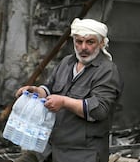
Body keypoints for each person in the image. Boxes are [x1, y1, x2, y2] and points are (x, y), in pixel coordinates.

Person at [15, 18, 124, 162]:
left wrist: (64, 102)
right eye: (79, 42)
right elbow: (50, 88)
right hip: (49, 148)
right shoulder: (67, 62)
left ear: (102, 43)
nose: (83, 47)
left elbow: (99, 110)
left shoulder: (107, 71)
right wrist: (35, 91)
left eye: (90, 42)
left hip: (82, 154)